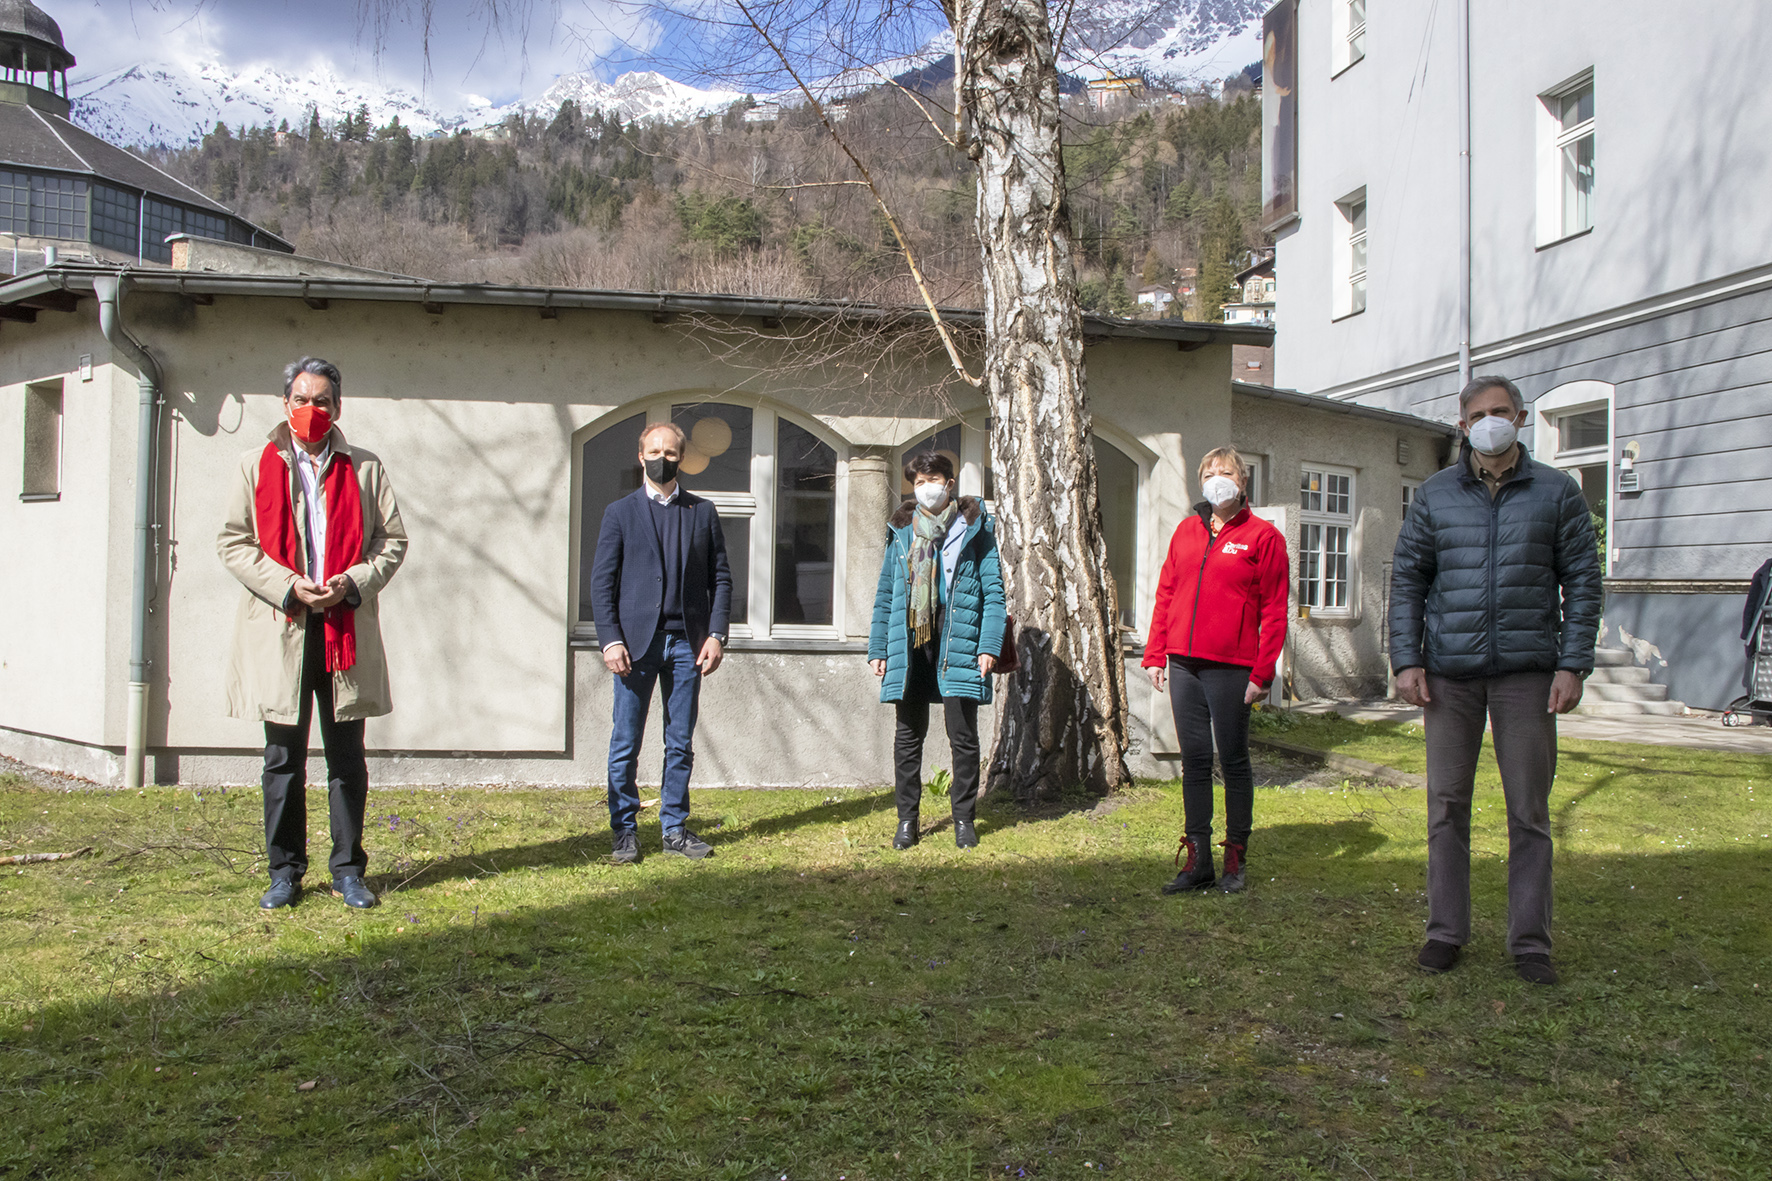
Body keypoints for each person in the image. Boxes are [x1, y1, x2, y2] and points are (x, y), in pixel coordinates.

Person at [1390, 374, 1601, 986]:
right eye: (1479, 414)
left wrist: (1571, 663)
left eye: (1501, 412)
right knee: (1446, 806)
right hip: (1449, 677)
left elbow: (1583, 583)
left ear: (1522, 417)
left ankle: (1531, 941)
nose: (1490, 422)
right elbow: (1408, 580)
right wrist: (1407, 660)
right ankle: (1445, 932)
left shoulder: (1557, 494)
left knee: (1529, 812)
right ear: (1463, 426)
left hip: (1527, 677)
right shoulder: (1433, 496)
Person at [218, 357, 409, 911]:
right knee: (282, 758)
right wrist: (288, 586)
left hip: (343, 630)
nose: (311, 410)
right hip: (283, 628)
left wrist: (350, 584)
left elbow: (392, 542)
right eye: (301, 400)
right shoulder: (255, 465)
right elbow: (234, 542)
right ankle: (285, 872)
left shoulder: (366, 469)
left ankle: (349, 870)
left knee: (347, 758)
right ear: (284, 405)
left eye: (321, 401)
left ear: (338, 407)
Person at [1143, 447, 1288, 895]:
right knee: (1195, 761)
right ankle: (1198, 859)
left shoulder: (1263, 537)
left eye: (1225, 472)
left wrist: (1262, 673)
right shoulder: (1187, 532)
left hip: (1232, 668)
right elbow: (1166, 592)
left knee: (1233, 759)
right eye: (1209, 472)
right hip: (1184, 663)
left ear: (1241, 482)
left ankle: (1235, 859)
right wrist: (1155, 653)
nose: (1216, 478)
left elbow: (1275, 611)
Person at [590, 420, 733, 864]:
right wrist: (610, 640)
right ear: (640, 456)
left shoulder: (702, 512)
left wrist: (716, 633)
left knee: (679, 742)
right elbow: (602, 583)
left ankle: (674, 828)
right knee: (625, 742)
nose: (662, 459)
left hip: (688, 645)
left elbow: (721, 578)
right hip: (634, 646)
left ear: (682, 458)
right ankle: (625, 832)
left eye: (671, 453)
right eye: (654, 451)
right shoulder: (620, 513)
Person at [867, 452, 1006, 849]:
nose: (926, 488)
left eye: (934, 479)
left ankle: (964, 820)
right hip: (911, 638)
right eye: (918, 482)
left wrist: (988, 645)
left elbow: (994, 593)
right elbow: (886, 594)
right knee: (908, 735)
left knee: (962, 735)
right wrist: (879, 646)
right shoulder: (902, 531)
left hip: (957, 634)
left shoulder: (975, 529)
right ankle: (907, 822)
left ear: (950, 482)